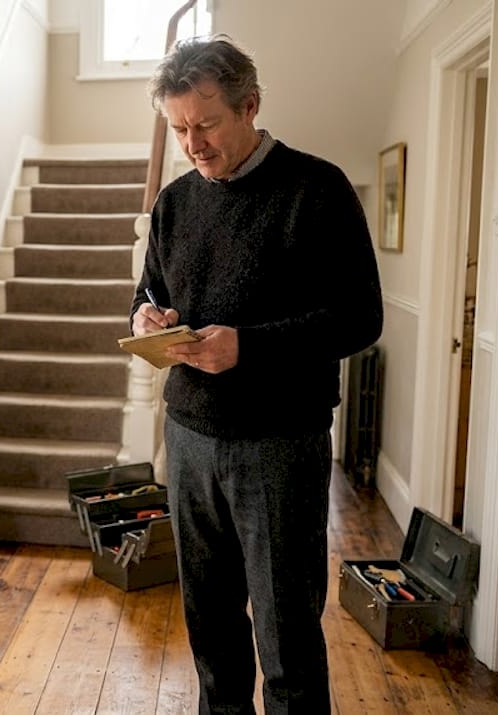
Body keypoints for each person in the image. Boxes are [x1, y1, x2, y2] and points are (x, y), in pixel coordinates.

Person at [130, 37, 383, 714]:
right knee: (211, 633)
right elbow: (147, 290)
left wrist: (249, 347)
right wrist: (149, 316)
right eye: (179, 129)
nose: (193, 144)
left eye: (206, 125)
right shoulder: (175, 203)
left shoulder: (317, 189)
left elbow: (361, 318)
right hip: (186, 439)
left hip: (279, 445)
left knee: (287, 640)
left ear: (250, 106)